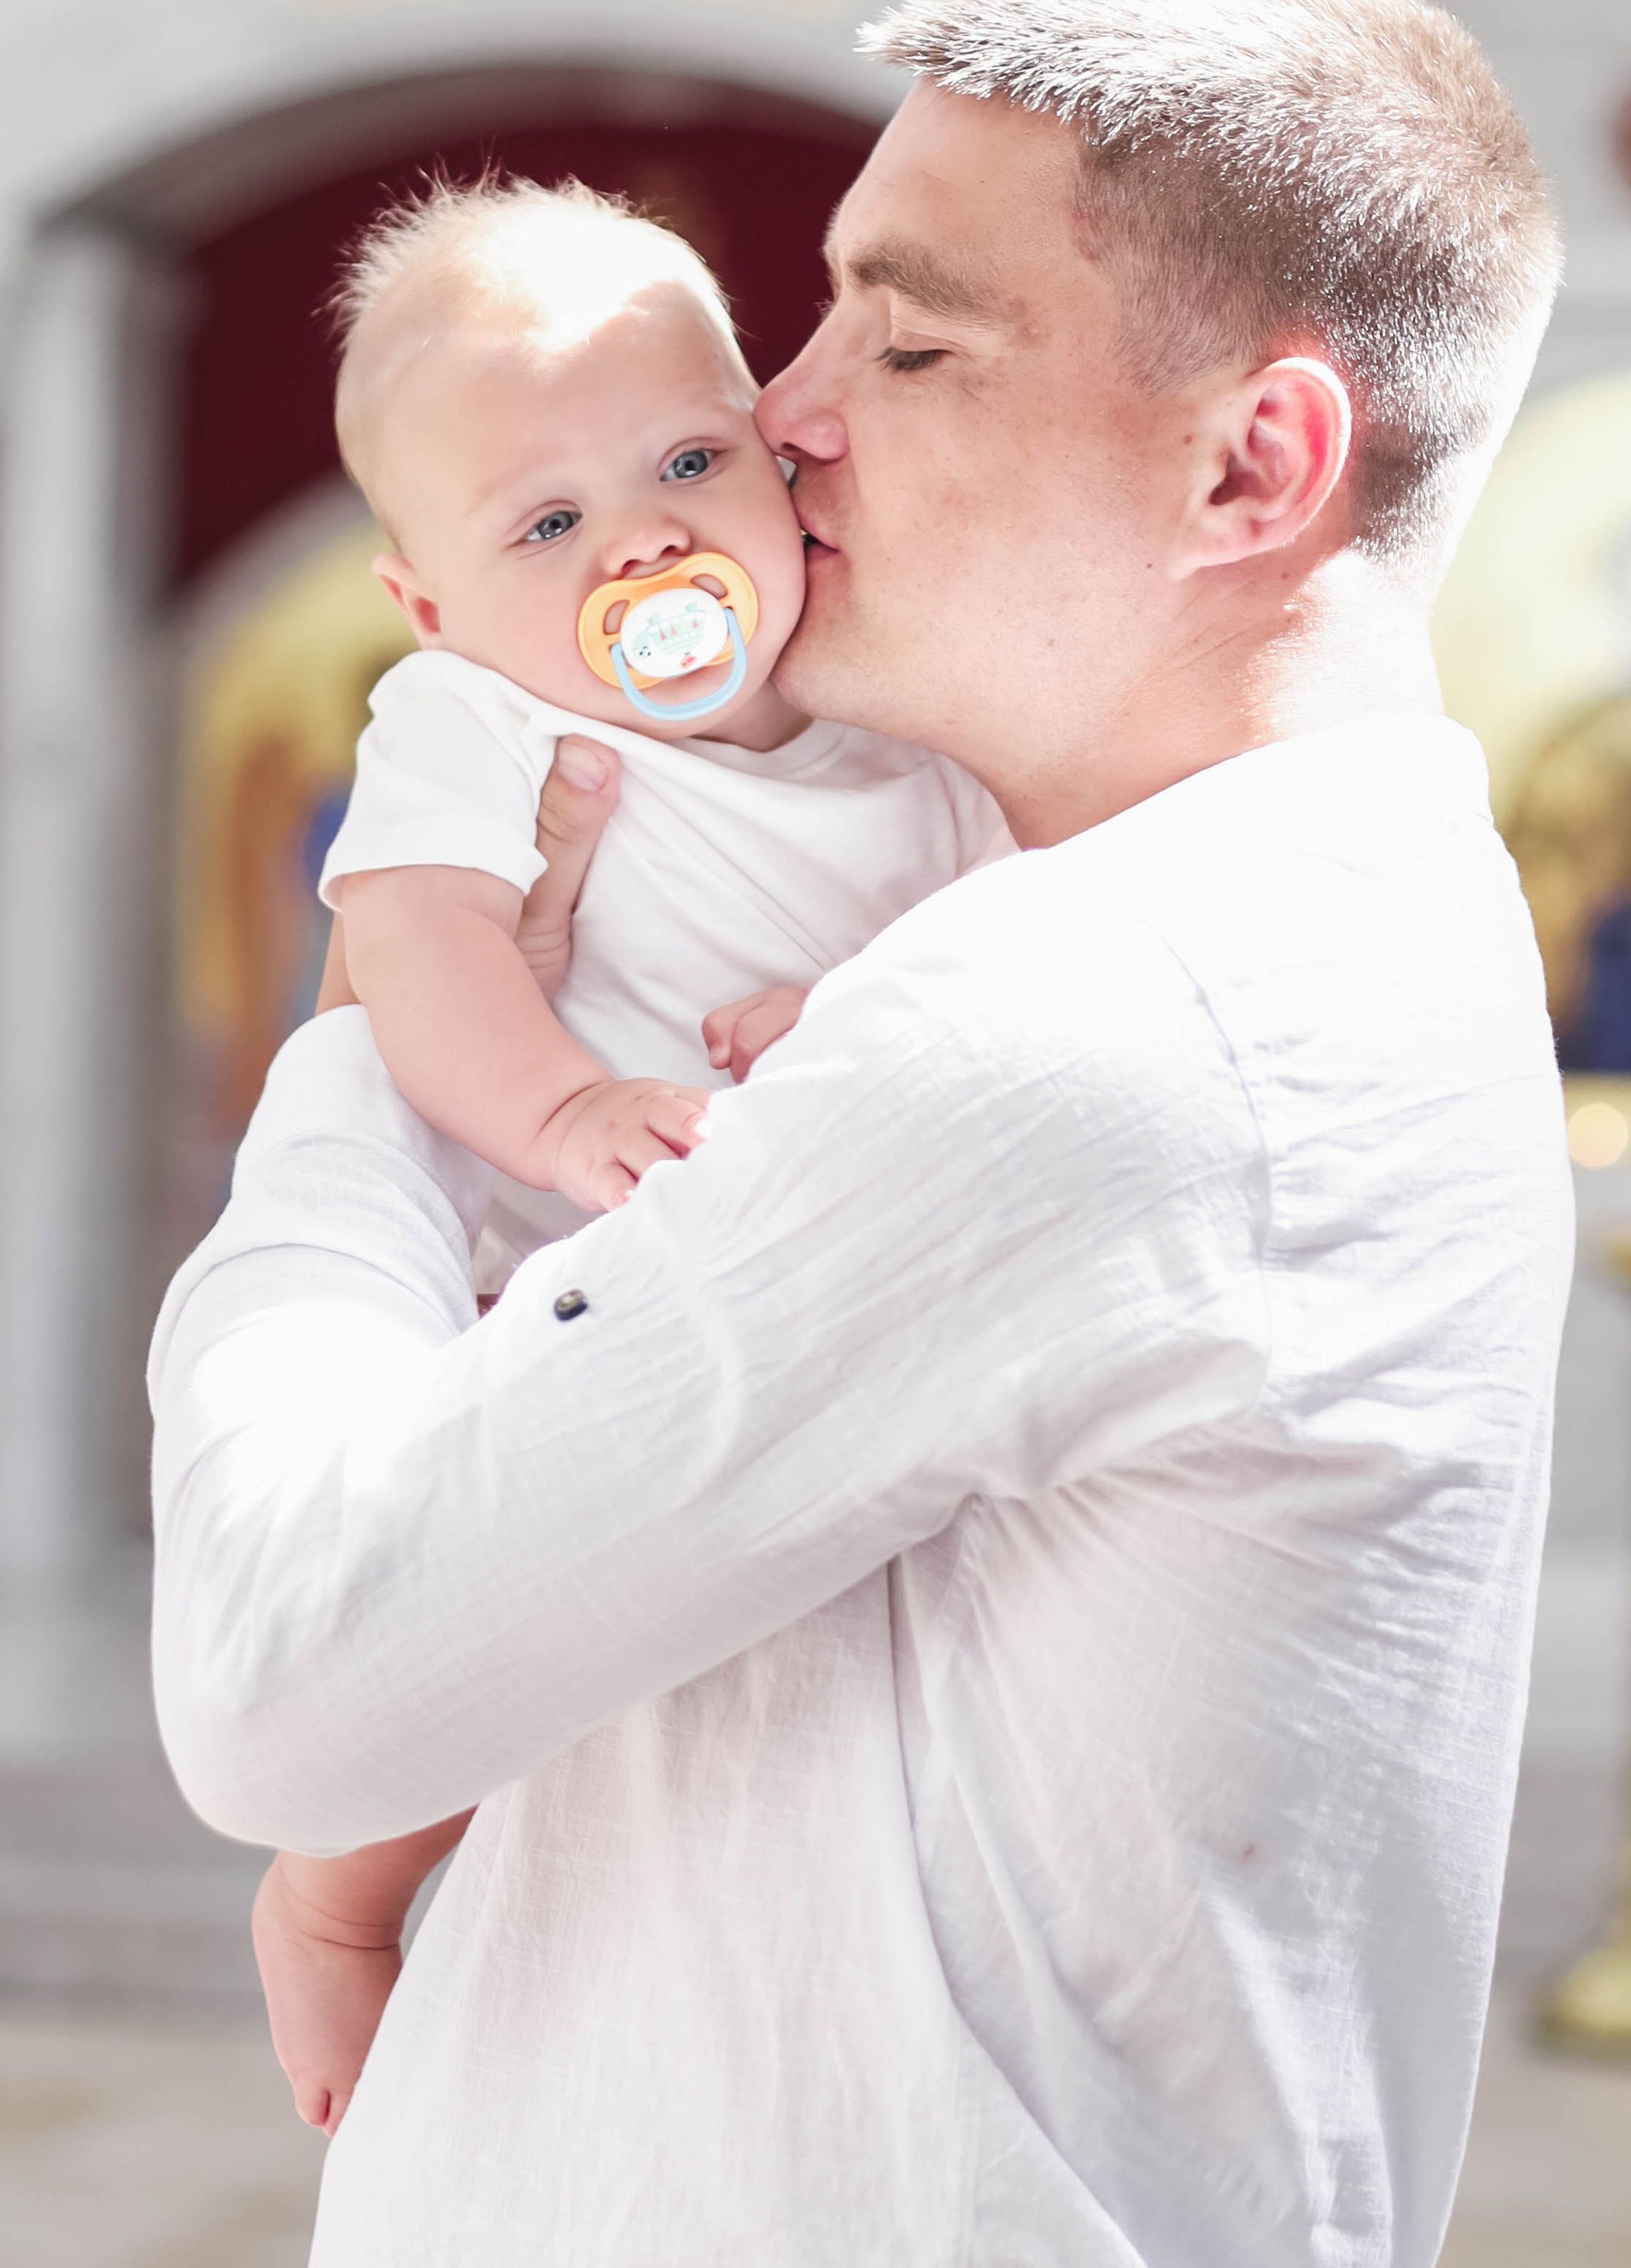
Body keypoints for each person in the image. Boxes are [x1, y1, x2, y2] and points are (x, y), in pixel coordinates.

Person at [150, 0, 1574, 2268]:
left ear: (1256, 464)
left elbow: (286, 1681)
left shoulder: (1089, 1020)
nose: (786, 415)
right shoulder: (1310, 916)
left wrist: (357, 1083)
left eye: (905, 334)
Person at [252, 176, 1004, 2130]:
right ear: (430, 603)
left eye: (686, 455)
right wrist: (559, 1105)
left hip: (805, 1288)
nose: (647, 541)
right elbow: (409, 940)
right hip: (544, 1266)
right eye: (549, 523)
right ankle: (334, 1901)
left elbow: (990, 933)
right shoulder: (474, 715)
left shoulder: (897, 711)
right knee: (480, 1636)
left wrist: (857, 1009)